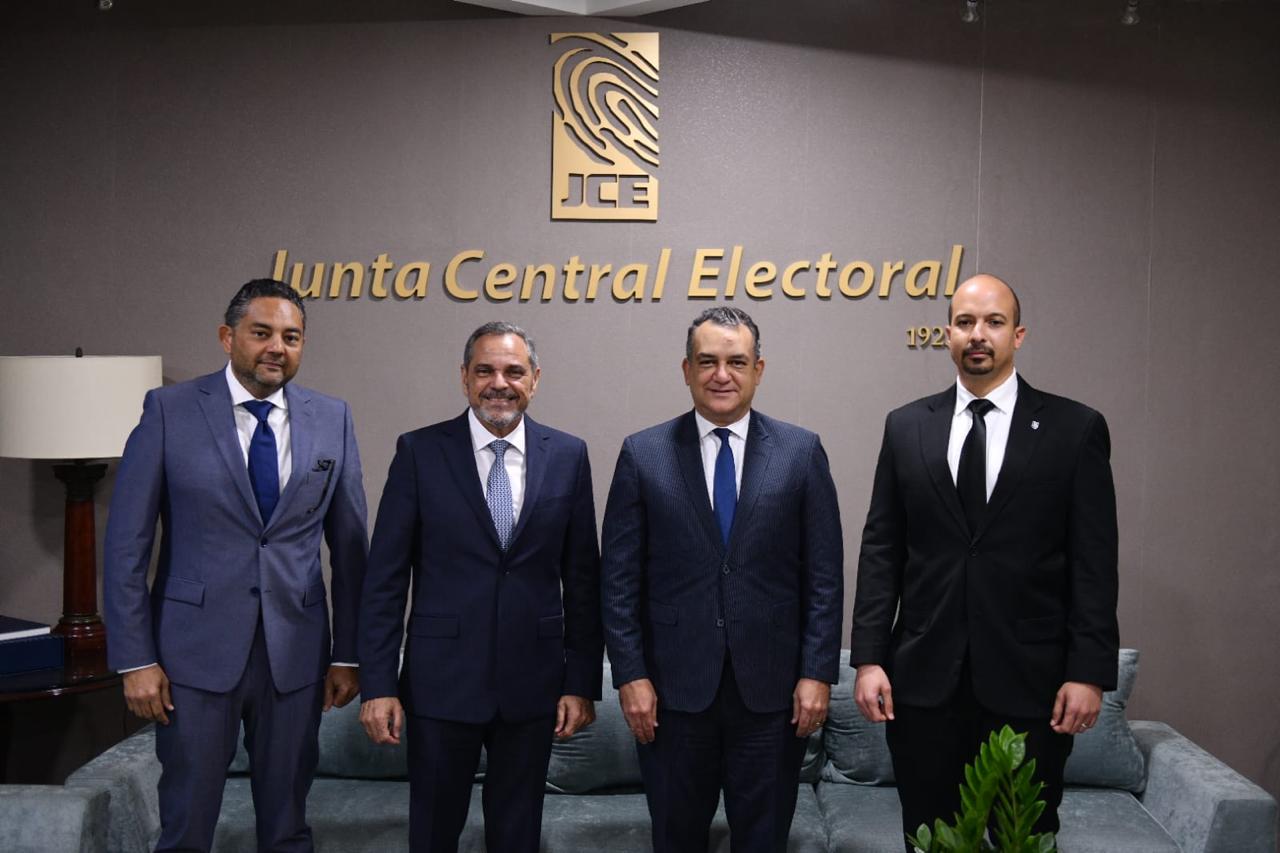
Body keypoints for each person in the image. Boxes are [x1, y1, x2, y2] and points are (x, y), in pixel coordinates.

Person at [849, 274, 1119, 848]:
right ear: (947, 334)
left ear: (1018, 334)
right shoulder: (906, 426)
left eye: (994, 322)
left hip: (1033, 688)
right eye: (966, 322)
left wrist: (1089, 672)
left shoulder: (1075, 430)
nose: (979, 335)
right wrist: (869, 658)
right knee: (928, 839)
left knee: (1025, 839)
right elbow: (882, 549)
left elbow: (1094, 563)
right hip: (923, 686)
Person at [103, 279, 369, 852]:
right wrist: (135, 660)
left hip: (296, 659)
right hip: (190, 660)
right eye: (262, 333)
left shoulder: (332, 418)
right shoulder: (169, 410)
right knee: (187, 828)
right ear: (228, 338)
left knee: (288, 828)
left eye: (291, 337)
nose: (277, 347)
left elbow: (350, 553)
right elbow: (127, 546)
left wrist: (348, 652)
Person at [601, 306, 844, 853]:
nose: (721, 374)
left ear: (759, 369)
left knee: (762, 841)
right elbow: (617, 581)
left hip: (772, 694)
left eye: (736, 361)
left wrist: (817, 673)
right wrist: (630, 676)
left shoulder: (801, 452)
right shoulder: (643, 454)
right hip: (671, 695)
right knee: (677, 838)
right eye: (707, 361)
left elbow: (824, 577)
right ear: (685, 370)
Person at [357, 321, 602, 853]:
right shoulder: (420, 452)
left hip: (533, 685)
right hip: (440, 683)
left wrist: (580, 681)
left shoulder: (568, 455)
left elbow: (583, 580)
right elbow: (385, 581)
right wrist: (378, 684)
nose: (500, 382)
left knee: (518, 836)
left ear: (534, 380)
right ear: (464, 378)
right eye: (485, 370)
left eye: (514, 371)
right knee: (433, 833)